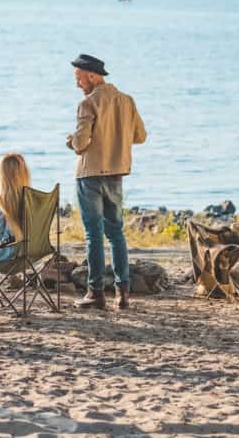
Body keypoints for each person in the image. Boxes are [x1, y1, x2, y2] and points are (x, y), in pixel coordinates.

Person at [66, 54, 147, 310]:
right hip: (116, 173)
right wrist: (116, 138)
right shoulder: (127, 101)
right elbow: (140, 136)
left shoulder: (88, 103)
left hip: (89, 175)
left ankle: (96, 292)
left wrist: (71, 141)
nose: (78, 84)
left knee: (94, 235)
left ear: (91, 75)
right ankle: (123, 293)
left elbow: (80, 144)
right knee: (116, 234)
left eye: (79, 78)